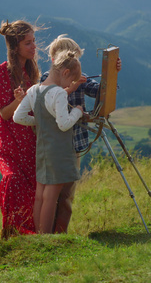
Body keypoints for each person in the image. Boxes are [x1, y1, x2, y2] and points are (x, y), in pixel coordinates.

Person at [40, 34, 122, 233]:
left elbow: (99, 91)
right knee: (53, 193)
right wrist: (72, 87)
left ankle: (61, 234)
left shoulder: (79, 75)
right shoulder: (46, 80)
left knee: (68, 193)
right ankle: (47, 235)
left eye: (76, 59)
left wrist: (113, 73)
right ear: (55, 61)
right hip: (55, 146)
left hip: (74, 144)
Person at [13, 49, 84, 234]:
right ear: (66, 73)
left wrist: (38, 121)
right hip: (58, 152)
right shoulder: (59, 93)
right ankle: (46, 238)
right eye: (71, 81)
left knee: (40, 196)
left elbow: (18, 117)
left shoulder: (34, 90)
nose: (70, 85)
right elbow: (63, 124)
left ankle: (39, 235)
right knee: (51, 196)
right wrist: (77, 111)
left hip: (42, 150)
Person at [0, 20, 40, 239]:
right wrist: (18, 100)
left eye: (34, 41)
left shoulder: (31, 71)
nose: (33, 47)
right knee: (13, 180)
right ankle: (11, 233)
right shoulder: (0, 72)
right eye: (28, 43)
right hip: (9, 141)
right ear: (15, 46)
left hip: (29, 139)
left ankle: (30, 234)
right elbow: (3, 113)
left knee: (33, 187)